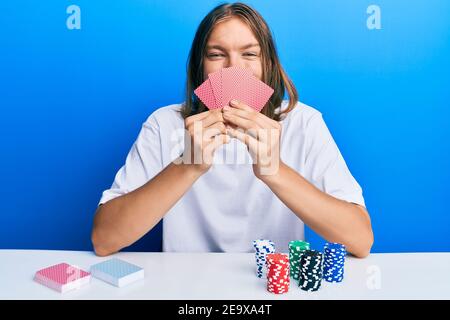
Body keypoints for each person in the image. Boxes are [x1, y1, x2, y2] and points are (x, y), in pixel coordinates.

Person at [91, 2, 374, 258]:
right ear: (199, 67)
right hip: (186, 287)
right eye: (216, 55)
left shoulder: (303, 123)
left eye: (249, 54)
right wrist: (187, 166)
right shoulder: (164, 123)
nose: (233, 69)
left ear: (269, 65)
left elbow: (360, 240)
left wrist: (274, 171)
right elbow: (104, 240)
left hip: (269, 290)